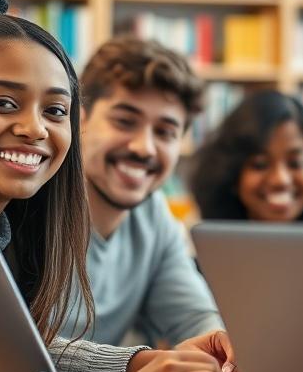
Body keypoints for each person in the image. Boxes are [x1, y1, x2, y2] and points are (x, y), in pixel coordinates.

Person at [0, 0, 229, 372]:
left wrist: (136, 365)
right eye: (4, 104)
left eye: (54, 110)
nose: (35, 129)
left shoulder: (0, 226)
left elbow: (17, 346)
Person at [58, 36, 228, 351]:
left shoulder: (155, 215)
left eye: (165, 132)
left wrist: (222, 346)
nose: (144, 147)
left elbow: (194, 320)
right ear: (79, 117)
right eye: (125, 121)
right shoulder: (31, 200)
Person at [189, 90, 303, 229]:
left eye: (296, 163)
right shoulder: (206, 243)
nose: (280, 179)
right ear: (230, 173)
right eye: (260, 165)